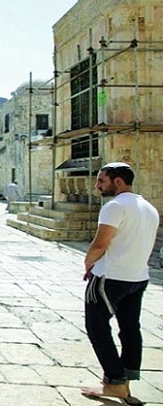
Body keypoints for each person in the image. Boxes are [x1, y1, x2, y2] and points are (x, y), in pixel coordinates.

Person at [81, 162, 159, 401]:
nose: (97, 186)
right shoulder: (149, 208)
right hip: (138, 277)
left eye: (101, 181)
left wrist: (88, 264)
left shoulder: (115, 207)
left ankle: (115, 380)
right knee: (130, 328)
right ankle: (125, 380)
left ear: (118, 181)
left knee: (97, 326)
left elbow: (100, 244)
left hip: (111, 277)